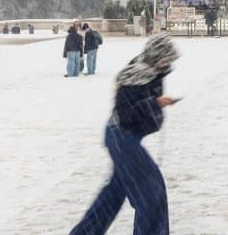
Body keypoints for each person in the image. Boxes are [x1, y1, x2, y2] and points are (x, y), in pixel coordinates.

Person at [70, 33, 180, 234]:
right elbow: (126, 113)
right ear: (156, 55)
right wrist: (156, 103)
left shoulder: (152, 73)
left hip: (125, 138)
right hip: (121, 137)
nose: (168, 63)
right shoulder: (134, 75)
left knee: (113, 194)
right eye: (165, 59)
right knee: (152, 191)